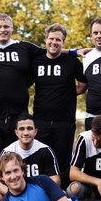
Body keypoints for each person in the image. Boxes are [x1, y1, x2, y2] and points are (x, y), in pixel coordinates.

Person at [0, 13, 47, 188]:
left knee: (18, 159)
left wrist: (74, 52)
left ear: (12, 28)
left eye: (6, 27)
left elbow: (51, 51)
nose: (2, 30)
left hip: (18, 115)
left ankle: (21, 198)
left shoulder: (24, 47)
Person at [31, 23, 86, 188]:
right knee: (41, 161)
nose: (54, 42)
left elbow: (82, 85)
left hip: (64, 121)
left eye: (58, 40)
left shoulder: (72, 62)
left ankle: (64, 199)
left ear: (63, 42)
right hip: (40, 121)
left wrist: (66, 93)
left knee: (63, 162)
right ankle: (41, 197)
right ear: (46, 40)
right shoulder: (36, 61)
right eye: (51, 39)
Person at [0, 113, 61, 201]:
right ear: (16, 132)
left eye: (29, 128)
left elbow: (56, 180)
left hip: (38, 196)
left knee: (63, 195)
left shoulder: (45, 150)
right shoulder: (8, 151)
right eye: (22, 129)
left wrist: (35, 194)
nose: (26, 132)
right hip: (14, 195)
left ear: (35, 131)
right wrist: (14, 193)